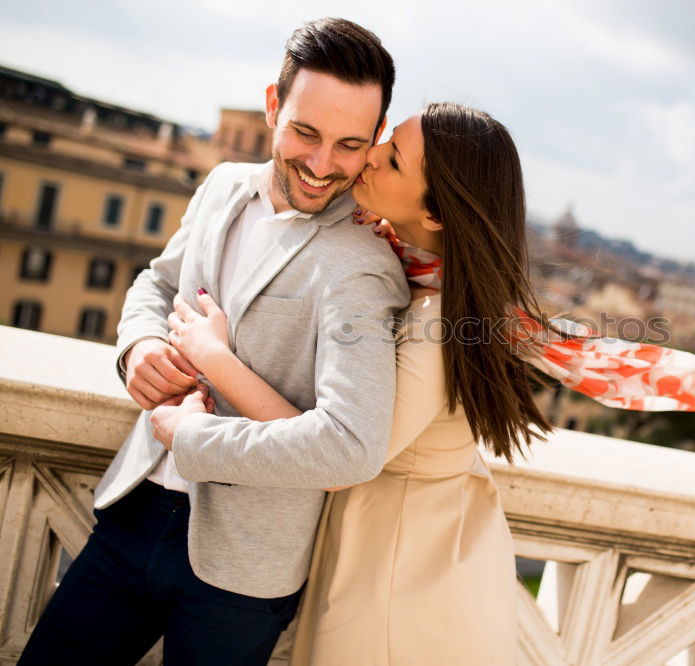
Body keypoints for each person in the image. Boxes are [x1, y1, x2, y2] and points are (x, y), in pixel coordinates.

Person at [158, 102, 695, 665]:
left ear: (435, 215)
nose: (368, 156)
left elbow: (343, 458)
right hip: (428, 541)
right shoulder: (447, 291)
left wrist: (214, 361)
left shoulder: (437, 316)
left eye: (389, 158)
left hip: (398, 560)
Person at [18, 18, 410, 666]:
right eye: (306, 133)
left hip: (243, 570)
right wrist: (139, 347)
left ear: (374, 140)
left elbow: (350, 446)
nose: (321, 165)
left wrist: (192, 432)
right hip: (133, 511)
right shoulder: (224, 183)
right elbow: (156, 281)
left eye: (349, 145)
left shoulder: (364, 266)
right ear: (273, 105)